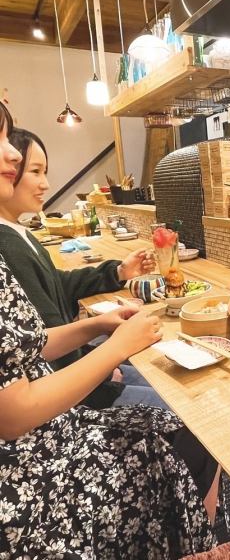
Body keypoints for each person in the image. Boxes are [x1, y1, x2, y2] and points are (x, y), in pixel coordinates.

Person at [0, 101, 218, 557]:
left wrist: (96, 324)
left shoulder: (12, 237)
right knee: (196, 417)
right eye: (1, 142)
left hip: (49, 431)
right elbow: (12, 413)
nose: (14, 158)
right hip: (30, 476)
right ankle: (194, 533)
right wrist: (112, 351)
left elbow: (23, 344)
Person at [1, 127, 166, 409]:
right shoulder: (7, 244)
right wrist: (103, 363)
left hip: (72, 373)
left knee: (161, 377)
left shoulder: (19, 232)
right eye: (36, 171)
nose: (46, 184)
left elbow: (58, 287)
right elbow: (42, 341)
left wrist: (118, 272)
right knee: (177, 402)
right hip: (70, 396)